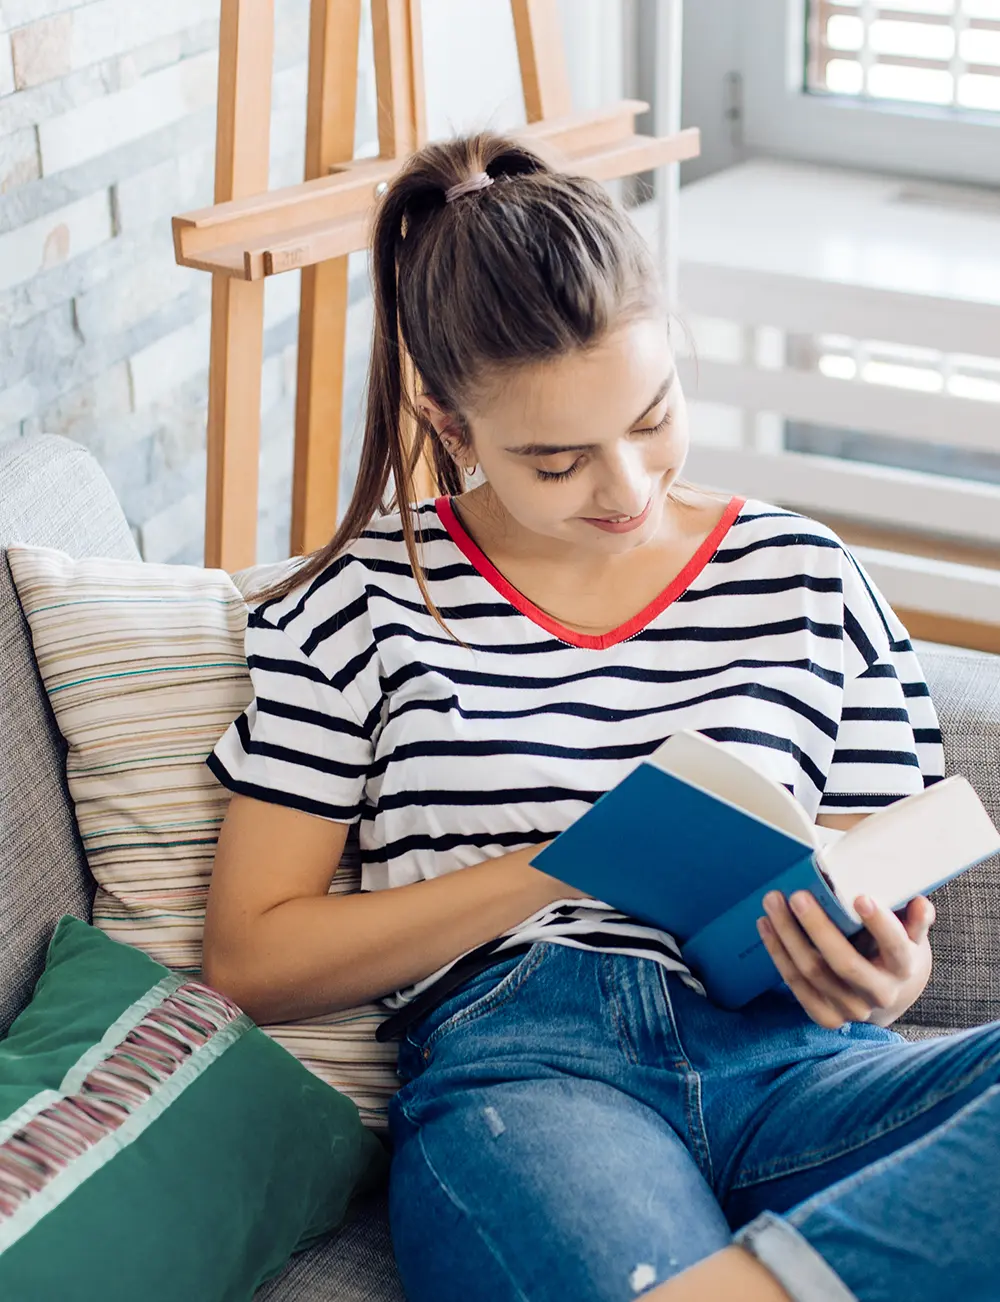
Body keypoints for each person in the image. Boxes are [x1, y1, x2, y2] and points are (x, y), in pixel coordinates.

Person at [201, 132, 1000, 1302]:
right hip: (531, 1072)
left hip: (803, 1060)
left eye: (652, 417)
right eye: (557, 459)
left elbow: (878, 873)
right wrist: (563, 863)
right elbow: (250, 959)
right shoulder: (358, 606)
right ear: (451, 424)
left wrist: (880, 977)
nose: (624, 488)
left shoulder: (807, 575)